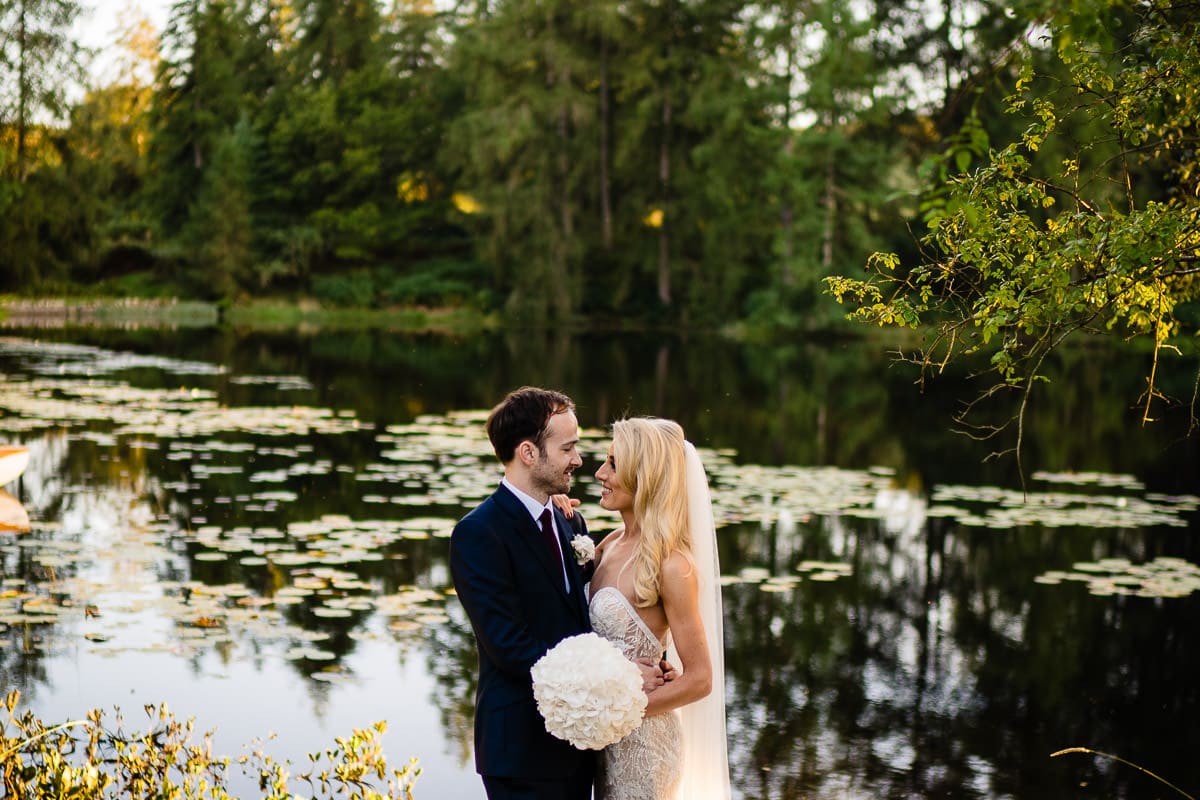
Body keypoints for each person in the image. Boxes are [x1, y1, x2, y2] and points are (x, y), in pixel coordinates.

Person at [450, 388, 665, 800]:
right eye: (567, 447)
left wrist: (648, 660)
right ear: (529, 453)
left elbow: (587, 618)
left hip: (582, 746)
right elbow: (513, 650)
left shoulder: (572, 522)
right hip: (520, 751)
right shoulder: (479, 534)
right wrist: (619, 680)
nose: (579, 460)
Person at [574, 417, 731, 800]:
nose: (599, 473)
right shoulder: (609, 543)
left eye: (613, 464)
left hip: (644, 750)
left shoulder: (673, 566)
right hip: (601, 743)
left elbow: (699, 679)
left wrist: (622, 709)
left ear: (643, 475)